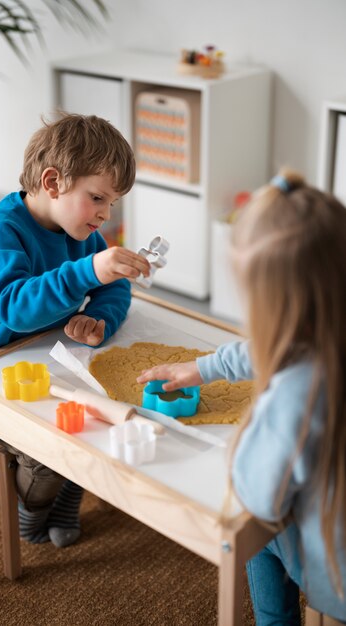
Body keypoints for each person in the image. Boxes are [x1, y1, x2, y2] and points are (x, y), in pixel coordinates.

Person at [137, 169, 346, 624]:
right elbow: (281, 347)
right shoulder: (330, 327)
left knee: (254, 533)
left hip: (337, 571)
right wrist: (204, 367)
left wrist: (249, 433)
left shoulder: (295, 397)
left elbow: (262, 499)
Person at [0, 112, 150, 549]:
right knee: (51, 453)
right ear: (54, 182)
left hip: (45, 358)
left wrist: (100, 320)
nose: (105, 214)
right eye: (98, 198)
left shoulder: (79, 232)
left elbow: (114, 294)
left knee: (92, 426)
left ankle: (62, 500)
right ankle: (36, 509)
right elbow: (15, 309)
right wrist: (89, 271)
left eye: (112, 203)